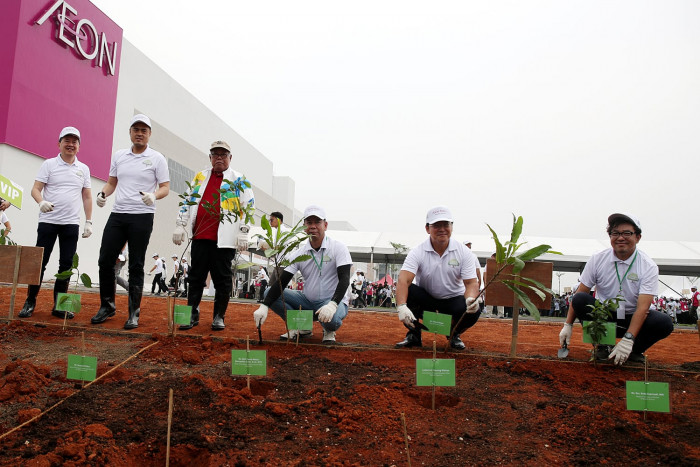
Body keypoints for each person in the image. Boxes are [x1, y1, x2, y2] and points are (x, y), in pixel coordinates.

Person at [558, 213, 674, 365]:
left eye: (627, 233)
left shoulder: (648, 266)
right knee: (580, 300)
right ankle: (604, 345)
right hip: (603, 316)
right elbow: (581, 291)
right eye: (615, 233)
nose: (620, 238)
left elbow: (643, 308)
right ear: (610, 236)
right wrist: (568, 324)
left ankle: (633, 351)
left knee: (664, 322)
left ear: (638, 237)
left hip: (632, 318)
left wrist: (628, 339)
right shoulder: (598, 259)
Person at [91, 114, 170, 329]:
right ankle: (107, 305)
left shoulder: (157, 158)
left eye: (144, 130)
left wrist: (154, 195)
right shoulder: (119, 156)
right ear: (130, 132)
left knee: (136, 263)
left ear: (149, 134)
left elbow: (165, 187)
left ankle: (133, 313)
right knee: (105, 259)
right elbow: (111, 183)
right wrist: (102, 194)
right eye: (136, 129)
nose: (139, 133)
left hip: (142, 216)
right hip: (118, 214)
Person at [172, 140, 254, 330]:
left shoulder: (238, 179)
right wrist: (180, 225)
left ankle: (219, 316)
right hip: (200, 236)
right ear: (210, 157)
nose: (219, 158)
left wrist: (243, 231)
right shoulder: (200, 177)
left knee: (222, 279)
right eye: (215, 154)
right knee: (195, 278)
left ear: (230, 158)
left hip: (224, 241)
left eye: (223, 154)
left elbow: (248, 206)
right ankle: (191, 314)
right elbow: (188, 200)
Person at [18, 126, 93, 319]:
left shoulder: (83, 169)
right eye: (66, 141)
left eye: (74, 141)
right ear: (59, 144)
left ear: (79, 146)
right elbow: (35, 189)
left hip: (70, 224)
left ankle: (60, 306)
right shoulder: (49, 164)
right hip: (48, 222)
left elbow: (86, 197)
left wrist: (89, 221)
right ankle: (30, 302)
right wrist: (41, 201)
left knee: (66, 265)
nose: (70, 144)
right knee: (39, 262)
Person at [253, 205, 352, 343]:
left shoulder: (338, 248)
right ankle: (302, 327)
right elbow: (283, 281)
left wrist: (333, 304)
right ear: (304, 226)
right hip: (307, 301)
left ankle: (329, 330)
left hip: (333, 302)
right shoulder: (299, 253)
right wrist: (264, 306)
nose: (313, 226)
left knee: (333, 321)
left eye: (317, 222)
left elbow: (345, 279)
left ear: (325, 225)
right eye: (309, 222)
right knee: (269, 292)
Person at [395, 206, 479, 350]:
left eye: (446, 225)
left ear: (451, 227)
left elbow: (471, 283)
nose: (442, 229)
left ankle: (454, 334)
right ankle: (414, 335)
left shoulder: (464, 252)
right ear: (427, 228)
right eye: (436, 225)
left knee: (475, 307)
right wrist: (401, 306)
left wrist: (471, 298)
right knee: (410, 292)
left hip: (454, 302)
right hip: (427, 301)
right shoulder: (418, 252)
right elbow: (404, 280)